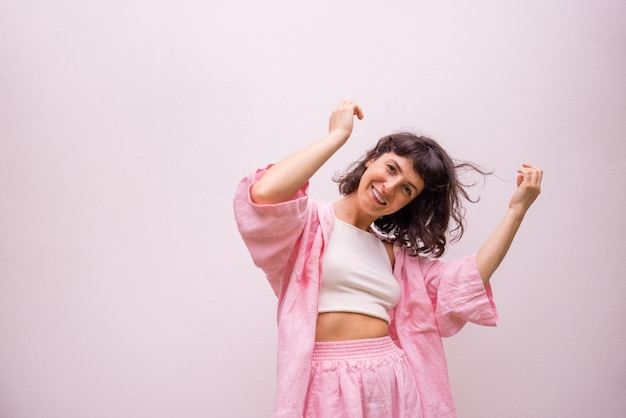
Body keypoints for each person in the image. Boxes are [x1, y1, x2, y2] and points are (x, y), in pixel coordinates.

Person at [233, 100, 543, 418]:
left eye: (407, 189)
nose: (390, 187)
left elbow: (464, 282)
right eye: (391, 169)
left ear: (408, 202)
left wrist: (516, 212)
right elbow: (264, 194)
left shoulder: (394, 255)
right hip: (327, 381)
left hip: (394, 379)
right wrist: (337, 136)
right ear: (371, 159)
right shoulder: (309, 224)